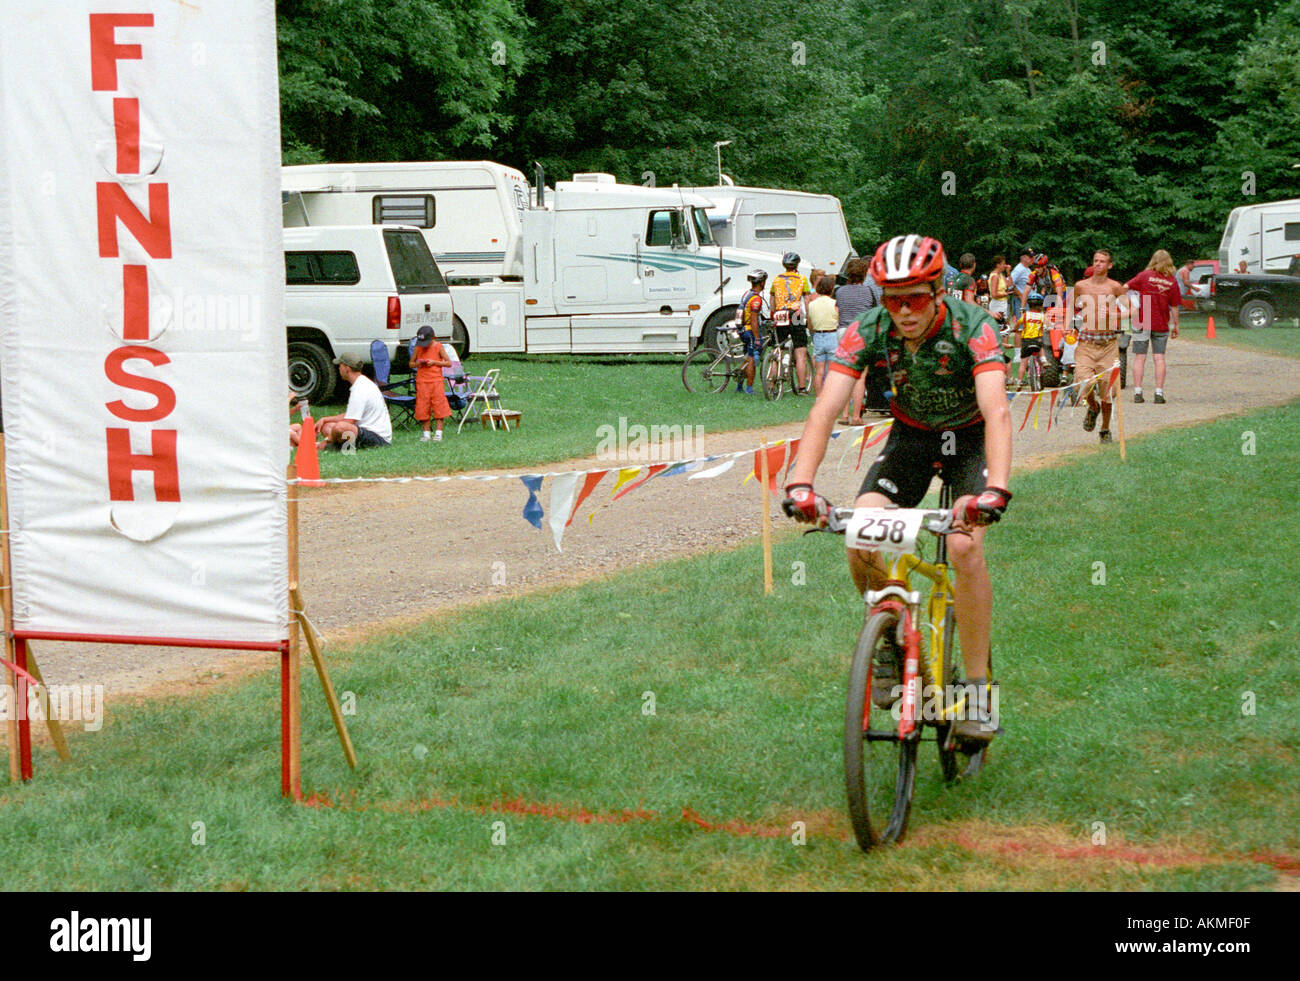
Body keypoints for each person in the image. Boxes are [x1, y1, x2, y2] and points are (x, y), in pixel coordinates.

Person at [782, 234, 1012, 743]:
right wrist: (801, 482)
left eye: (916, 298)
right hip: (911, 437)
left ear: (938, 290)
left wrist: (994, 489)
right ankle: (888, 639)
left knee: (963, 547)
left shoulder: (974, 326)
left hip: (969, 437)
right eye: (892, 298)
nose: (904, 310)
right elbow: (824, 409)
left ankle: (976, 686)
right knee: (862, 531)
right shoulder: (869, 328)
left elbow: (996, 411)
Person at [1072, 249, 1129, 443]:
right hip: (1086, 343)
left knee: (1108, 394)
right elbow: (1068, 308)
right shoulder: (1081, 286)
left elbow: (1133, 311)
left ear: (1109, 265)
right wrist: (1066, 327)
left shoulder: (1115, 287)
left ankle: (1104, 429)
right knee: (1084, 383)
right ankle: (1092, 408)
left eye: (1102, 261)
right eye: (1095, 261)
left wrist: (1114, 315)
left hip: (1108, 345)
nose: (1098, 264)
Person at [1125, 249, 1182, 404]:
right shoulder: (1171, 281)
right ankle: (1158, 393)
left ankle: (1138, 392)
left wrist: (1128, 303)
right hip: (1160, 322)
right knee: (1159, 357)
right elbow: (1174, 306)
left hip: (1142, 320)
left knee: (1139, 357)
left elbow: (1126, 287)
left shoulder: (1144, 276)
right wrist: (1176, 325)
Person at [834, 257, 882, 424]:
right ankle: (856, 416)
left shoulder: (839, 291)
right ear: (863, 274)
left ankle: (844, 415)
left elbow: (838, 310)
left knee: (845, 374)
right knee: (860, 376)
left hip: (842, 332)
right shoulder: (869, 291)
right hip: (861, 332)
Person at [315, 353, 393, 450]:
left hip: (377, 438)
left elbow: (349, 421)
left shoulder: (359, 389)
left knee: (339, 427)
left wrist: (327, 439)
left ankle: (328, 445)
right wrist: (325, 419)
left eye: (340, 366)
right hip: (363, 431)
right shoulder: (361, 383)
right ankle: (340, 446)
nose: (338, 368)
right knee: (327, 426)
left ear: (346, 369)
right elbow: (351, 415)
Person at [770, 252, 811, 393]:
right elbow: (806, 300)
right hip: (796, 315)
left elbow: (772, 300)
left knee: (777, 350)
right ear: (797, 265)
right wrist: (808, 317)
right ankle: (802, 387)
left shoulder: (776, 279)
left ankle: (771, 384)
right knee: (800, 353)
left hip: (779, 314)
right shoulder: (802, 279)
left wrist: (773, 315)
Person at [411, 325, 453, 440]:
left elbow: (448, 363)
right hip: (422, 381)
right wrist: (418, 364)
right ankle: (426, 433)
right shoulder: (418, 348)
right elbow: (411, 363)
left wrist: (434, 362)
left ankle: (438, 433)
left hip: (436, 381)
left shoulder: (438, 347)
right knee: (423, 406)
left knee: (439, 405)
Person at [807, 276, 839, 397]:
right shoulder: (835, 303)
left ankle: (819, 397)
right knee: (832, 370)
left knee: (819, 371)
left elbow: (810, 324)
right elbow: (839, 319)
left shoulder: (812, 304)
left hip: (818, 336)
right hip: (832, 335)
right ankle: (830, 396)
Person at [736, 269, 767, 394]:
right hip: (750, 331)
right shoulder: (756, 299)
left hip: (743, 330)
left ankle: (739, 386)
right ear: (762, 283)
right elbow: (753, 320)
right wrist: (757, 338)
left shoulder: (747, 294)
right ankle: (749, 388)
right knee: (751, 359)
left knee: (747, 358)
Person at [1012, 292, 1047, 389]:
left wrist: (1014, 329)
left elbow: (1017, 325)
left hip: (1026, 341)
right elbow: (1047, 325)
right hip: (1037, 340)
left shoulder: (1025, 315)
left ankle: (1019, 381)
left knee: (1023, 363)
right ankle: (1044, 360)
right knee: (1041, 347)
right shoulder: (1042, 316)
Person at [1009, 248, 1033, 320]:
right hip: (1020, 301)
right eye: (1030, 257)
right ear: (1023, 257)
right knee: (1021, 325)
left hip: (1028, 301)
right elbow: (1009, 283)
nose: (1032, 258)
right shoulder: (1019, 269)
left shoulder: (1027, 269)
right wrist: (1020, 295)